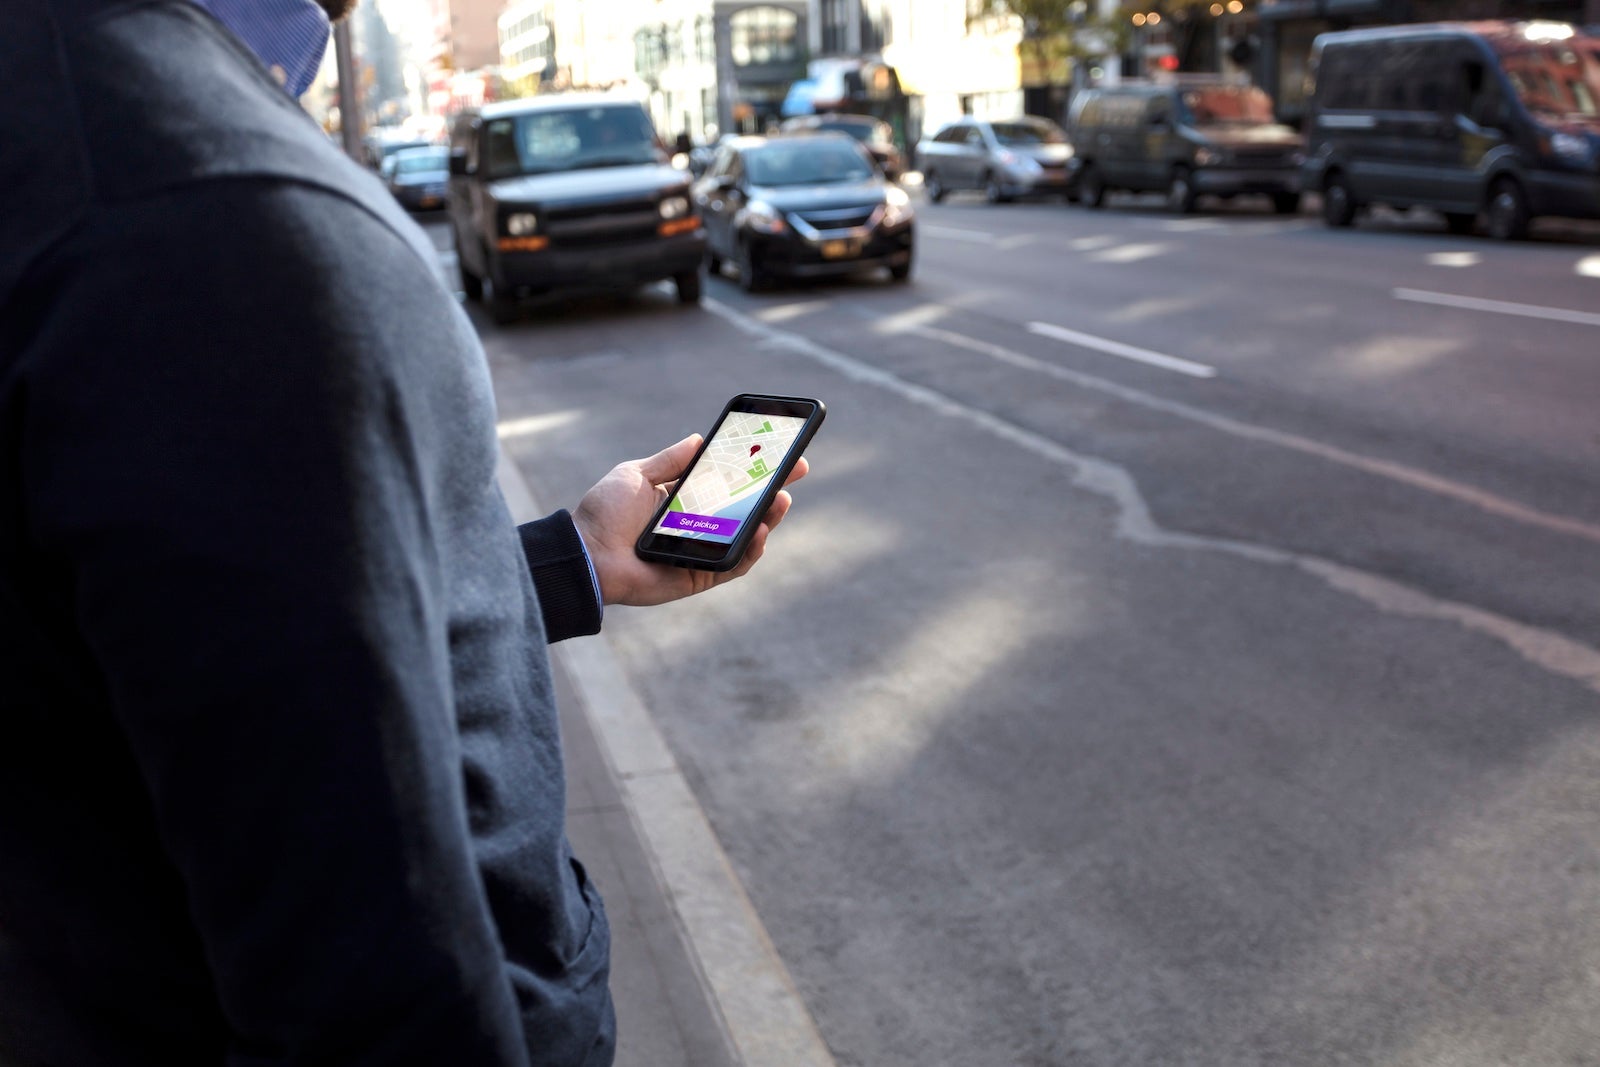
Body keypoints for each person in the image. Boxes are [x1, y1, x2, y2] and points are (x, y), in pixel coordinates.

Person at [0, 1, 807, 1064]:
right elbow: (363, 984)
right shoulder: (211, 219)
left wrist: (568, 563)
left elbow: (195, 644)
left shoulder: (73, 97)